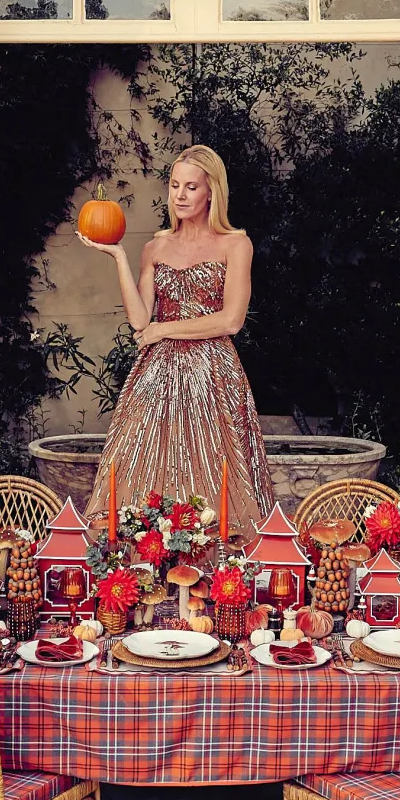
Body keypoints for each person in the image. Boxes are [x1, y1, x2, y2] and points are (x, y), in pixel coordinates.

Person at [78, 144, 275, 539]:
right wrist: (118, 256)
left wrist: (163, 329)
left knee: (216, 467)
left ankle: (219, 578)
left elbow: (231, 320)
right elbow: (139, 318)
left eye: (191, 187)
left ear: (211, 193)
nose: (180, 195)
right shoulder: (155, 247)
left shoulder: (236, 244)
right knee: (147, 465)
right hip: (157, 377)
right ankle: (150, 565)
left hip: (212, 375)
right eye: (174, 186)